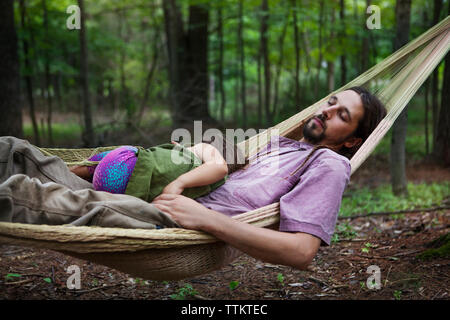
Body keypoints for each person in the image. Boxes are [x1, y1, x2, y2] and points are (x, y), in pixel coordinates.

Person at [0, 86, 386, 271]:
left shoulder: (329, 166)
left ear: (352, 140)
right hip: (152, 197)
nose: (328, 111)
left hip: (175, 227)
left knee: (25, 195)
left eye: (343, 116)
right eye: (332, 101)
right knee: (15, 151)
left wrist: (204, 220)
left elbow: (301, 252)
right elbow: (219, 159)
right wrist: (183, 157)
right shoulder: (279, 144)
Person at [68, 137, 246, 202]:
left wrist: (180, 181)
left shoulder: (201, 150)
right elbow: (220, 167)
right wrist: (179, 183)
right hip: (120, 185)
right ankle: (73, 172)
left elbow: (219, 167)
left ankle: (71, 172)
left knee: (128, 151)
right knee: (130, 155)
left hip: (119, 164)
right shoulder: (203, 152)